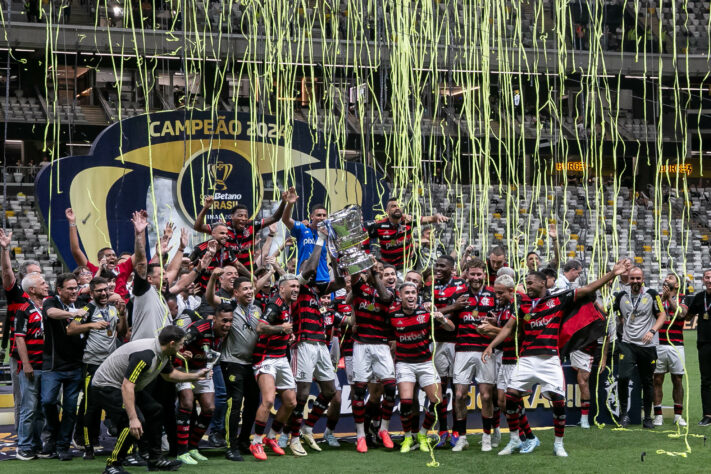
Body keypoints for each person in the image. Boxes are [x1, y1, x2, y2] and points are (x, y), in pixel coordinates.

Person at [483, 259, 630, 457]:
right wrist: (491, 345)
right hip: (526, 358)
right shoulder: (524, 303)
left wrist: (612, 274)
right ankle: (515, 439)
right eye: (526, 284)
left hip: (550, 358)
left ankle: (558, 444)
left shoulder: (559, 299)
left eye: (531, 283)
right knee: (510, 397)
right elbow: (509, 327)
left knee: (558, 400)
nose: (528, 287)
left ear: (543, 283)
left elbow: (587, 289)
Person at [92, 325, 210, 473]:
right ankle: (112, 465)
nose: (183, 347)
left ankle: (155, 459)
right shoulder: (146, 355)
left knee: (155, 410)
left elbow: (170, 375)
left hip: (127, 387)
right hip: (106, 386)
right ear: (172, 343)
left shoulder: (163, 352)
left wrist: (196, 376)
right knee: (133, 422)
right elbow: (126, 386)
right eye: (181, 344)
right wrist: (133, 418)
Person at [390, 282, 454, 453]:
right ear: (400, 296)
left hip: (425, 362)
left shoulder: (425, 312)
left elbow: (451, 328)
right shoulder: (393, 314)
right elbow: (389, 339)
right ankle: (408, 437)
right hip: (404, 363)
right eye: (407, 293)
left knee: (436, 401)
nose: (410, 296)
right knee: (406, 402)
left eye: (413, 292)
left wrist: (441, 318)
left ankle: (423, 434)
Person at [67, 277, 127, 459]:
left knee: (116, 402)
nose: (103, 293)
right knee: (89, 405)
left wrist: (122, 315)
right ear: (91, 293)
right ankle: (87, 446)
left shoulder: (113, 308)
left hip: (111, 363)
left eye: (106, 290)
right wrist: (91, 325)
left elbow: (122, 332)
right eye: (99, 290)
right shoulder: (87, 309)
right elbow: (70, 329)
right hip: (92, 363)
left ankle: (119, 441)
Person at [206, 274, 262, 461]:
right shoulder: (230, 307)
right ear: (236, 292)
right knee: (235, 402)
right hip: (232, 362)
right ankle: (231, 446)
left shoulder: (257, 309)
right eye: (245, 289)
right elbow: (209, 299)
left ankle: (244, 441)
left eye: (251, 288)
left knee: (253, 402)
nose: (249, 291)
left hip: (251, 364)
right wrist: (213, 279)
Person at [249, 274, 300, 461]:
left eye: (297, 286)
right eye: (292, 286)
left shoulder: (288, 304)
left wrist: (287, 335)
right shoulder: (275, 303)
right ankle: (256, 441)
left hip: (281, 358)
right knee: (269, 400)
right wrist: (282, 329)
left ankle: (272, 437)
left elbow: (283, 327)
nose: (296, 289)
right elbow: (261, 328)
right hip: (266, 358)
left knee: (291, 402)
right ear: (282, 289)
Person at [174, 306, 233, 465]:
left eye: (230, 321)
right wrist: (182, 352)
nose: (227, 324)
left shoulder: (224, 332)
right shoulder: (197, 329)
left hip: (203, 368)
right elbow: (176, 345)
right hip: (184, 368)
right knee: (187, 402)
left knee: (209, 408)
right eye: (224, 321)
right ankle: (181, 451)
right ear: (214, 319)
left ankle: (193, 447)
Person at [451, 258, 498, 452]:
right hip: (462, 350)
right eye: (472, 274)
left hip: (485, 350)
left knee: (486, 396)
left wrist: (494, 323)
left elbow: (501, 321)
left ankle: (486, 437)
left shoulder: (493, 295)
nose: (476, 278)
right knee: (460, 395)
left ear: (484, 275)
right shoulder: (459, 295)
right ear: (467, 275)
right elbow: (451, 321)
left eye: (479, 274)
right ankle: (462, 437)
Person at [613, 266, 666, 428]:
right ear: (628, 279)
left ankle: (648, 418)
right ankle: (624, 414)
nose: (635, 281)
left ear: (643, 279)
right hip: (628, 343)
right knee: (622, 377)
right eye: (632, 278)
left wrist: (652, 330)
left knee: (647, 381)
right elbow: (615, 313)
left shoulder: (652, 294)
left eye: (638, 278)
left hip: (647, 345)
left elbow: (662, 314)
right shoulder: (621, 295)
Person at [350, 265, 396, 453]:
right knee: (359, 390)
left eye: (376, 270)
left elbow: (385, 298)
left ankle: (383, 429)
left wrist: (375, 273)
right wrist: (363, 264)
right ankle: (360, 435)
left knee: (391, 388)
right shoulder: (359, 287)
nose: (371, 272)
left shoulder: (389, 291)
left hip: (382, 345)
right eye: (371, 270)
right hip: (361, 344)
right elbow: (353, 274)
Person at [41, 272, 86, 460]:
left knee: (69, 408)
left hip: (76, 365)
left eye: (76, 288)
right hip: (54, 365)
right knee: (48, 402)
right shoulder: (51, 302)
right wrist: (73, 313)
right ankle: (53, 434)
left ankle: (62, 446)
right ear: (59, 290)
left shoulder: (83, 302)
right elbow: (51, 314)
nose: (74, 291)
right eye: (70, 288)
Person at [0, 228, 41, 430]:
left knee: (44, 399)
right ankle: (21, 436)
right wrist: (5, 250)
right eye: (35, 274)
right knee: (22, 398)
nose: (40, 277)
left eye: (40, 274)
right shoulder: (17, 294)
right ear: (24, 278)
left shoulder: (46, 299)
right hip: (20, 354)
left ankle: (41, 436)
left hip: (43, 354)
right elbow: (7, 273)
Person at [193, 190, 289, 275]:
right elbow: (198, 227)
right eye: (240, 215)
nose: (243, 219)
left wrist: (284, 202)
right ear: (232, 216)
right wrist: (206, 208)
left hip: (247, 271)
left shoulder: (252, 225)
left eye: (245, 216)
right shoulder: (223, 228)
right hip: (228, 271)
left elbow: (275, 218)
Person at [430, 255, 468, 448]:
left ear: (452, 269)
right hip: (437, 342)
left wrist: (441, 311)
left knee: (457, 389)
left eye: (442, 266)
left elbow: (460, 313)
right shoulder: (429, 286)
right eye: (436, 265)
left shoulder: (461, 285)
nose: (437, 268)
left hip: (456, 343)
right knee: (441, 390)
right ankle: (442, 431)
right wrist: (451, 306)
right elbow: (429, 313)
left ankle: (458, 432)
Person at [12, 273, 49, 461]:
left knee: (42, 408)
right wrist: (26, 364)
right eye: (42, 283)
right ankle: (24, 446)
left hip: (47, 366)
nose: (47, 285)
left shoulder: (49, 307)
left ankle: (36, 444)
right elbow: (19, 338)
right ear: (32, 290)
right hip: (31, 366)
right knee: (29, 408)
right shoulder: (24, 309)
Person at [366, 198, 448, 271]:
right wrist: (367, 254)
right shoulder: (379, 225)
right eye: (393, 206)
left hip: (405, 268)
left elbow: (430, 218)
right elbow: (363, 231)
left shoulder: (408, 221)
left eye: (399, 206)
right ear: (387, 211)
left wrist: (436, 216)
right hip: (387, 267)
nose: (397, 208)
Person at [653, 273, 689, 426]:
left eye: (671, 277)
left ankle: (678, 415)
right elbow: (654, 312)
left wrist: (669, 298)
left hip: (676, 344)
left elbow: (682, 314)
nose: (667, 279)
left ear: (677, 283)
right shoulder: (657, 297)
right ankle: (658, 415)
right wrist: (663, 298)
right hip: (659, 343)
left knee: (677, 379)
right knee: (657, 379)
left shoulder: (683, 297)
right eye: (666, 277)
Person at [129, 211, 171, 340]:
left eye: (165, 274)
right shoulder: (145, 292)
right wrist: (139, 234)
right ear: (149, 279)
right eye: (161, 275)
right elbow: (141, 263)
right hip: (142, 352)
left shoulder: (162, 298)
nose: (166, 277)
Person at [281, 188, 330, 283]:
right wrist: (290, 204)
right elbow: (285, 219)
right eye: (319, 215)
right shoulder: (303, 229)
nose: (322, 218)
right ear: (312, 217)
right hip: (304, 278)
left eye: (324, 215)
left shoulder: (329, 232)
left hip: (323, 278)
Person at [682, 269, 711, 425]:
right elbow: (687, 316)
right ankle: (708, 415)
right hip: (704, 344)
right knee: (706, 380)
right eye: (707, 277)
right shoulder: (700, 298)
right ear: (703, 280)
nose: (710, 280)